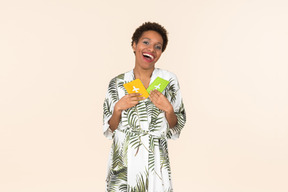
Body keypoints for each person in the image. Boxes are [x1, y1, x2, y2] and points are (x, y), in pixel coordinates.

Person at [103, 22, 186, 192]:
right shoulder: (118, 83)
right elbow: (109, 129)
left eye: (158, 46)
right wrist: (118, 108)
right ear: (134, 45)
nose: (151, 49)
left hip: (154, 160)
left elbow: (176, 126)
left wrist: (168, 109)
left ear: (161, 52)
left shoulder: (168, 80)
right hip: (124, 160)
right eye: (145, 42)